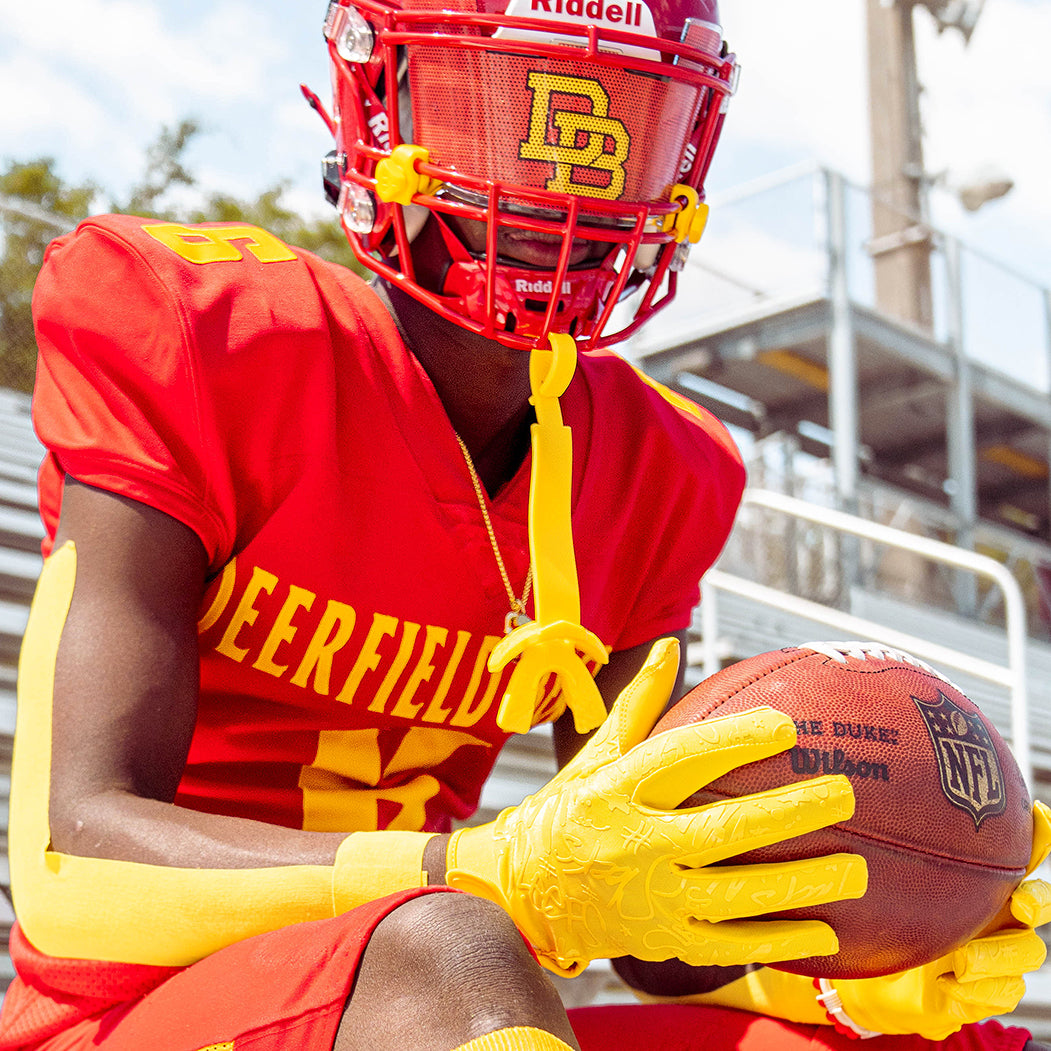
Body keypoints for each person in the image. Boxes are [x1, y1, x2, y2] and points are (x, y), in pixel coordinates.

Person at [0, 0, 1047, 1048]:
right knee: (451, 946)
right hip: (140, 1009)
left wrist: (848, 975)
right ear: (386, 103)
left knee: (916, 1039)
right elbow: (66, 871)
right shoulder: (203, 333)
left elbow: (649, 928)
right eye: (508, 103)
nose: (561, 167)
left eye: (616, 121)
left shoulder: (654, 465)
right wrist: (479, 871)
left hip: (425, 999)